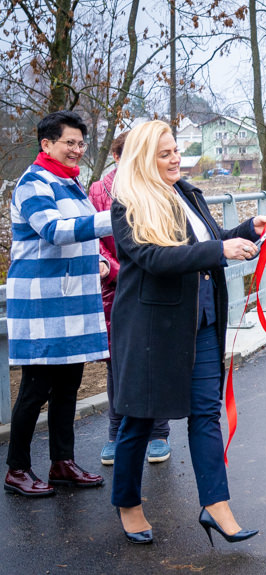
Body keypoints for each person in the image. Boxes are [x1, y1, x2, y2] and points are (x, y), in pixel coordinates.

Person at [110, 120, 266, 544]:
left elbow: (209, 242)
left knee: (205, 416)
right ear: (145, 158)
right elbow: (154, 258)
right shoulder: (129, 202)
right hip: (151, 331)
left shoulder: (188, 193)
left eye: (176, 150)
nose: (176, 158)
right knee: (139, 422)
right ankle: (128, 504)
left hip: (200, 324)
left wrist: (244, 231)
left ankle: (216, 505)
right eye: (164, 154)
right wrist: (220, 249)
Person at [5, 110, 110, 497]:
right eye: (70, 143)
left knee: (68, 385)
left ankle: (62, 463)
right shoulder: (33, 183)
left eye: (81, 143)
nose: (77, 150)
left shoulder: (70, 183)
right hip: (41, 303)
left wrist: (98, 261)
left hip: (72, 301)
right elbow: (54, 230)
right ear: (46, 144)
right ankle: (17, 469)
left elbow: (81, 237)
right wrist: (117, 217)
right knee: (36, 387)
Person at [89, 132, 172, 466]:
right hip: (116, 286)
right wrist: (110, 268)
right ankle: (115, 431)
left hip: (153, 281)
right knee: (118, 361)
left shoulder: (157, 185)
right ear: (117, 155)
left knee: (156, 355)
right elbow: (92, 234)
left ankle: (159, 432)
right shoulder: (100, 189)